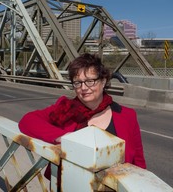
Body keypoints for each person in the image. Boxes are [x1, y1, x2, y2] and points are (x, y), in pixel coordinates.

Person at [18, 53, 146, 185]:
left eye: (90, 81)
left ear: (103, 82)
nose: (84, 88)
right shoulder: (65, 109)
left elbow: (139, 162)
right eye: (78, 83)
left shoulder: (127, 115)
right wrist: (61, 136)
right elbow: (27, 121)